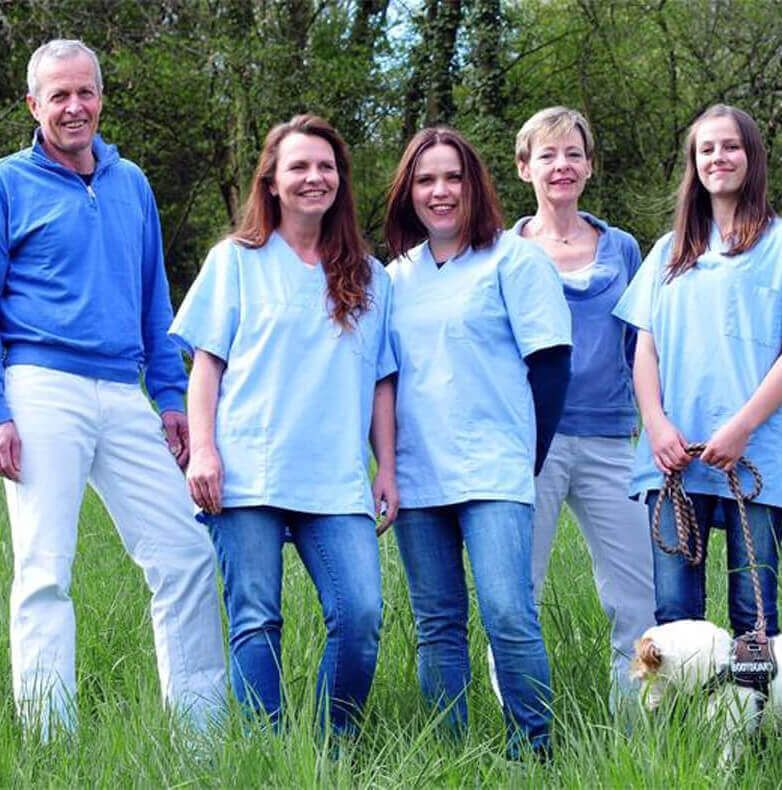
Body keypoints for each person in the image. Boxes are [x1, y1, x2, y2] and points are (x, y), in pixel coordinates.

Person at [0, 39, 226, 737]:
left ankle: (202, 739)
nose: (74, 107)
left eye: (85, 92)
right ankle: (50, 741)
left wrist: (169, 397)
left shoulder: (131, 184)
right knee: (45, 568)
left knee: (186, 553)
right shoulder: (8, 183)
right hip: (39, 386)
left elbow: (154, 298)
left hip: (124, 391)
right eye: (58, 96)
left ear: (101, 98)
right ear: (33, 105)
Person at [170, 114, 397, 737]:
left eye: (326, 166)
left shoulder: (370, 276)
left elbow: (382, 380)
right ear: (271, 181)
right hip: (248, 470)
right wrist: (204, 451)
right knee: (256, 620)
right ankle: (266, 753)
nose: (313, 177)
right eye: (299, 166)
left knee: (360, 615)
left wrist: (387, 468)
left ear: (340, 179)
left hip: (336, 479)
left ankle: (330, 747)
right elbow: (206, 367)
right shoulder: (235, 261)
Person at [384, 127, 571, 758]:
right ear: (408, 191)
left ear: (475, 185)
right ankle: (450, 754)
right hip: (417, 475)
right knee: (437, 625)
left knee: (508, 614)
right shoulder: (395, 278)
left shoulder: (514, 261)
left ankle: (534, 751)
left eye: (453, 177)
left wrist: (526, 459)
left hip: (494, 471)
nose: (440, 191)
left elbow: (551, 367)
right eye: (425, 180)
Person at [496, 106, 655, 708]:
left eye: (573, 154)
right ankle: (522, 730)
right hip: (529, 442)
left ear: (589, 166)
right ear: (524, 167)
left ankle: (636, 730)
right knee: (517, 595)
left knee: (636, 596)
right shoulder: (504, 251)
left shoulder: (623, 248)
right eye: (547, 155)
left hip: (612, 439)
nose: (561, 166)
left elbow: (640, 346)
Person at [614, 104, 782, 640]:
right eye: (706, 149)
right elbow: (645, 347)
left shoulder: (779, 246)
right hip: (675, 457)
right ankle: (689, 699)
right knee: (674, 615)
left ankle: (753, 697)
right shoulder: (669, 252)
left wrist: (742, 427)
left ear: (752, 157)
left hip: (756, 453)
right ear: (694, 162)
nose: (718, 157)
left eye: (730, 146)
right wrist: (655, 423)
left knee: (754, 610)